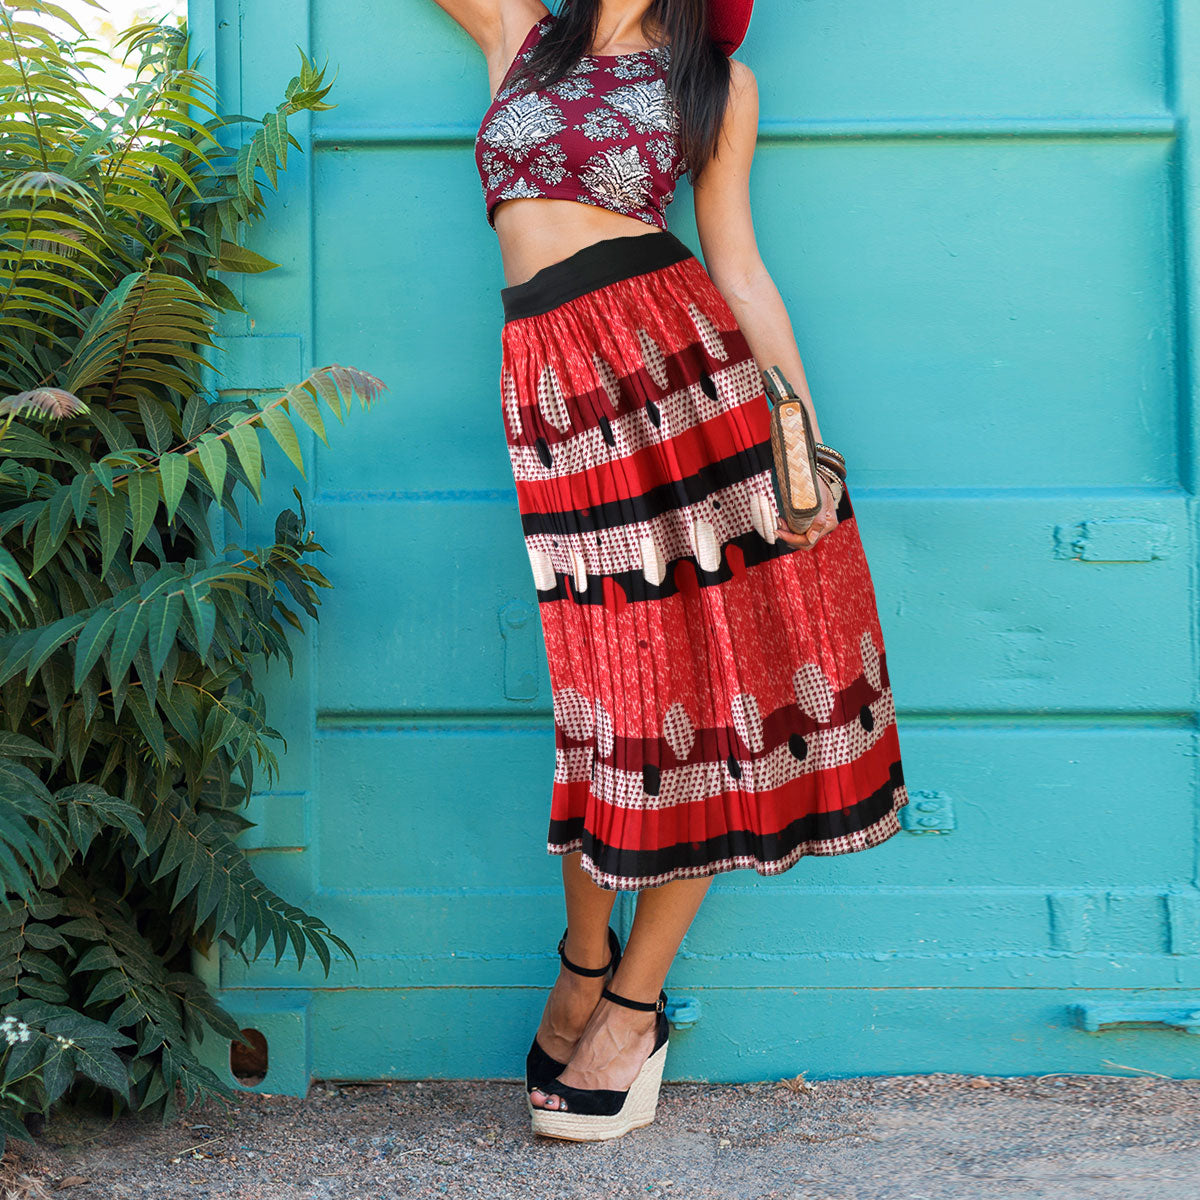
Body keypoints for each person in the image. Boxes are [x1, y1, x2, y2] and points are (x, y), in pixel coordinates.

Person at [429, 0, 909, 1142]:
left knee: (698, 696)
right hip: (558, 399)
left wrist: (804, 445)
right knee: (609, 700)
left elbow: (736, 266)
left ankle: (633, 1002)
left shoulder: (717, 83)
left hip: (687, 384)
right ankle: (582, 957)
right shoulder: (519, 31)